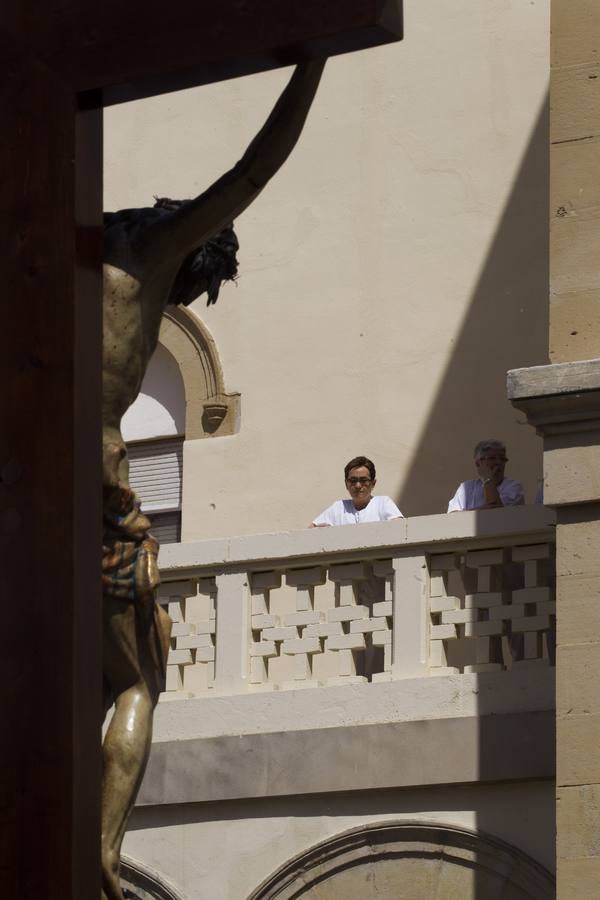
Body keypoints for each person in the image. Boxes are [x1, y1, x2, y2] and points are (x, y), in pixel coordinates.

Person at [101, 59, 326, 900]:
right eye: (190, 286)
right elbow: (252, 168)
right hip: (96, 492)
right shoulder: (147, 249)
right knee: (134, 680)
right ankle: (99, 851)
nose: (176, 299)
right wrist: (317, 57)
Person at [310, 456, 403, 526]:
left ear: (373, 483)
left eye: (363, 480)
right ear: (346, 484)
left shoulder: (383, 503)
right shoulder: (338, 507)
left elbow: (399, 528)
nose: (358, 485)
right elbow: (310, 531)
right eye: (353, 481)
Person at [447, 440, 524, 512]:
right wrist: (482, 509)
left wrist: (488, 479)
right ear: (478, 464)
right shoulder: (466, 487)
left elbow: (496, 511)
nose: (498, 462)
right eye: (492, 458)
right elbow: (452, 516)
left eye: (502, 459)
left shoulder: (513, 486)